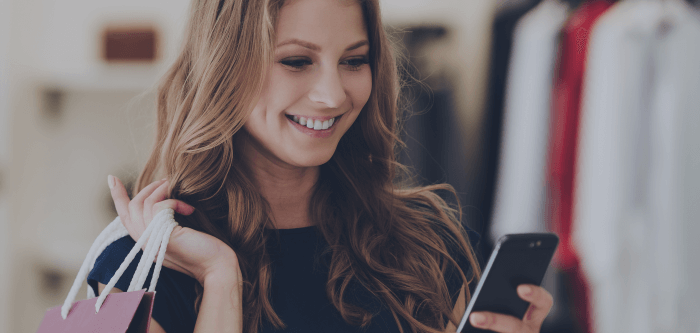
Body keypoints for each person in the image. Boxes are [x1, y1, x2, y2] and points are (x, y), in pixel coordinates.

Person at [87, 0, 554, 332]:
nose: (333, 95)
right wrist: (219, 279)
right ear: (224, 65)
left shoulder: (430, 245)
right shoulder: (126, 271)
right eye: (296, 61)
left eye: (354, 60)